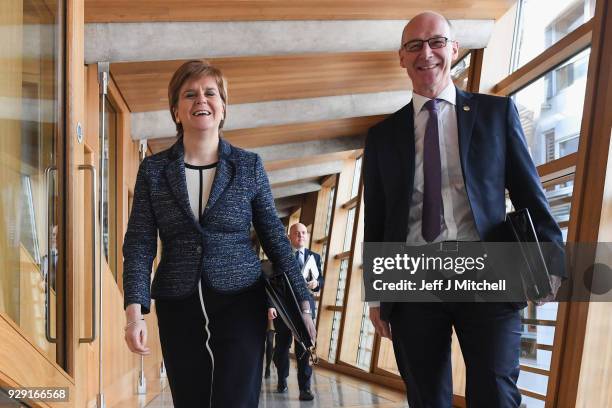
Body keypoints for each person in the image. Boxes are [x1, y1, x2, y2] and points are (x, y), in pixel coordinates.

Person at [363, 12, 565, 408]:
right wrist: (378, 296)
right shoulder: (382, 137)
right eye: (414, 45)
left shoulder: (496, 114)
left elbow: (530, 193)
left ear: (453, 50)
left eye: (436, 42)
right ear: (401, 58)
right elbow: (377, 220)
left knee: (496, 393)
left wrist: (552, 259)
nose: (427, 53)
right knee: (427, 397)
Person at [122, 60, 316, 408]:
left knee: (237, 397)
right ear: (176, 111)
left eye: (211, 93)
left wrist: (303, 303)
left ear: (223, 107)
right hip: (177, 299)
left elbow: (274, 236)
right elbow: (139, 242)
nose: (202, 100)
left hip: (241, 297)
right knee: (190, 398)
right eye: (190, 94)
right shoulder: (153, 170)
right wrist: (135, 313)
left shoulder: (248, 166)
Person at [270, 222, 323, 401]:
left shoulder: (315, 257)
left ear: (307, 235)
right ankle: (282, 377)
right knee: (282, 348)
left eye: (303, 232)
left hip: (306, 309)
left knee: (305, 347)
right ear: (289, 237)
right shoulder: (281, 258)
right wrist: (270, 305)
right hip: (284, 310)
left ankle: (305, 388)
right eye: (296, 233)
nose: (300, 235)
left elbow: (320, 281)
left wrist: (317, 284)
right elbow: (273, 283)